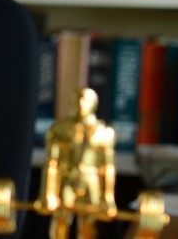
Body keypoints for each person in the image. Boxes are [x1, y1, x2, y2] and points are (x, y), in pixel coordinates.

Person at [35, 88, 117, 239]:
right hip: (68, 179)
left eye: (85, 100)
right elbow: (52, 164)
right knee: (61, 219)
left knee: (88, 224)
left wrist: (108, 198)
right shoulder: (59, 129)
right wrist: (47, 193)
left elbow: (108, 168)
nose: (81, 103)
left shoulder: (104, 132)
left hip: (90, 182)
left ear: (94, 104)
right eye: (78, 99)